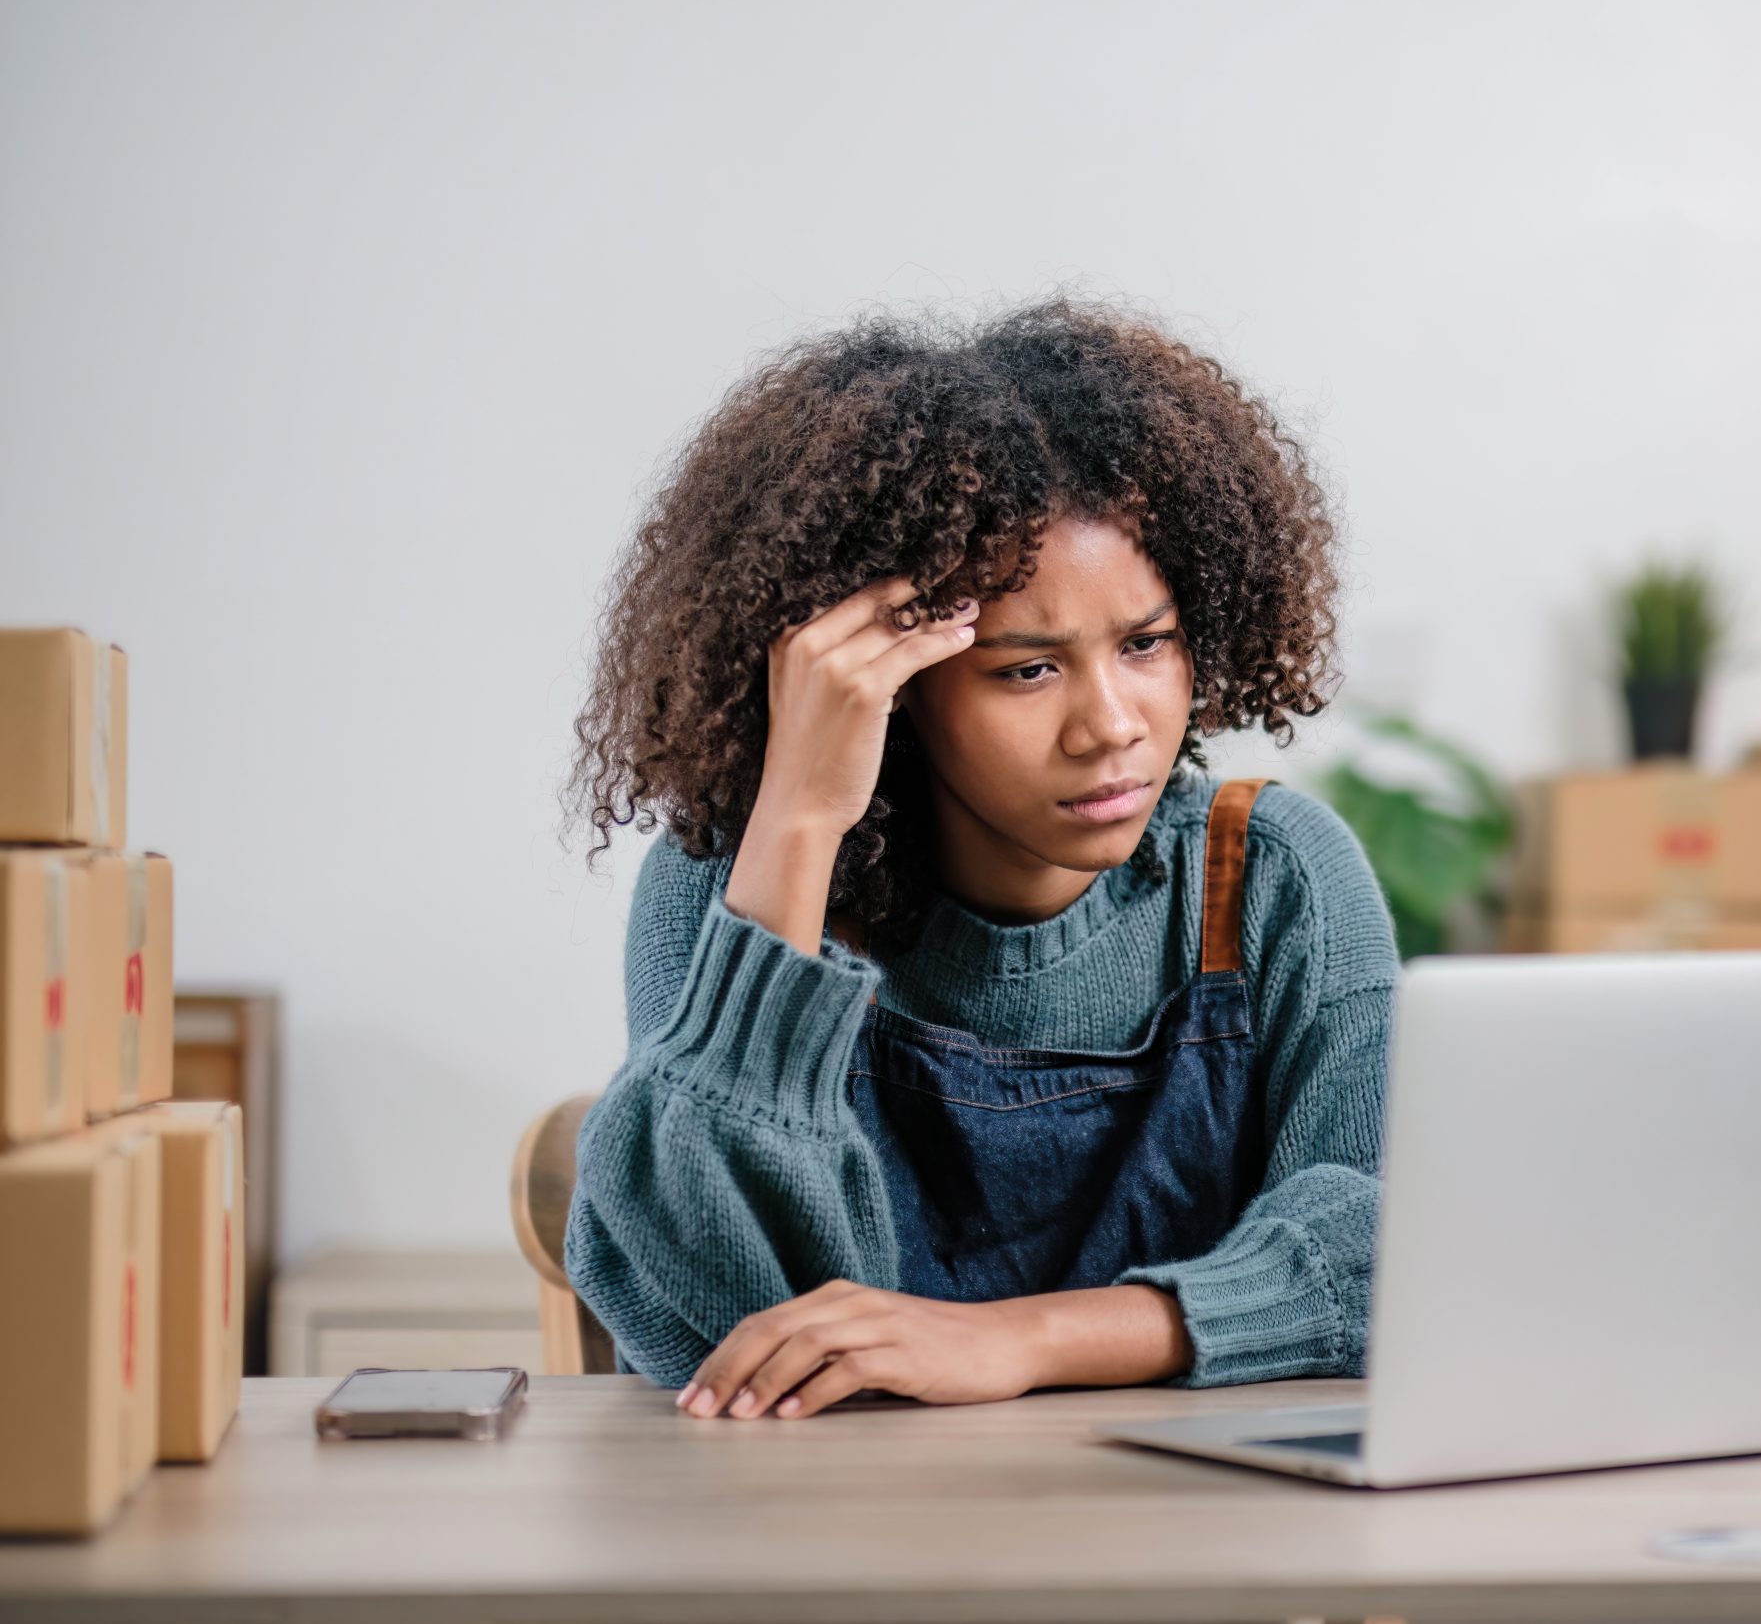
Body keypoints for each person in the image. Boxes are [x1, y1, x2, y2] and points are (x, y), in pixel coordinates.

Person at [561, 299, 1398, 1421]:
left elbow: (1388, 1253)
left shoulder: (1273, 878)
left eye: (1145, 644)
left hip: (1194, 1542)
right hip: (831, 1550)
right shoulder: (736, 876)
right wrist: (802, 817)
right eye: (1025, 670)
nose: (1112, 724)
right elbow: (701, 1311)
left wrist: (1021, 1340)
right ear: (892, 686)